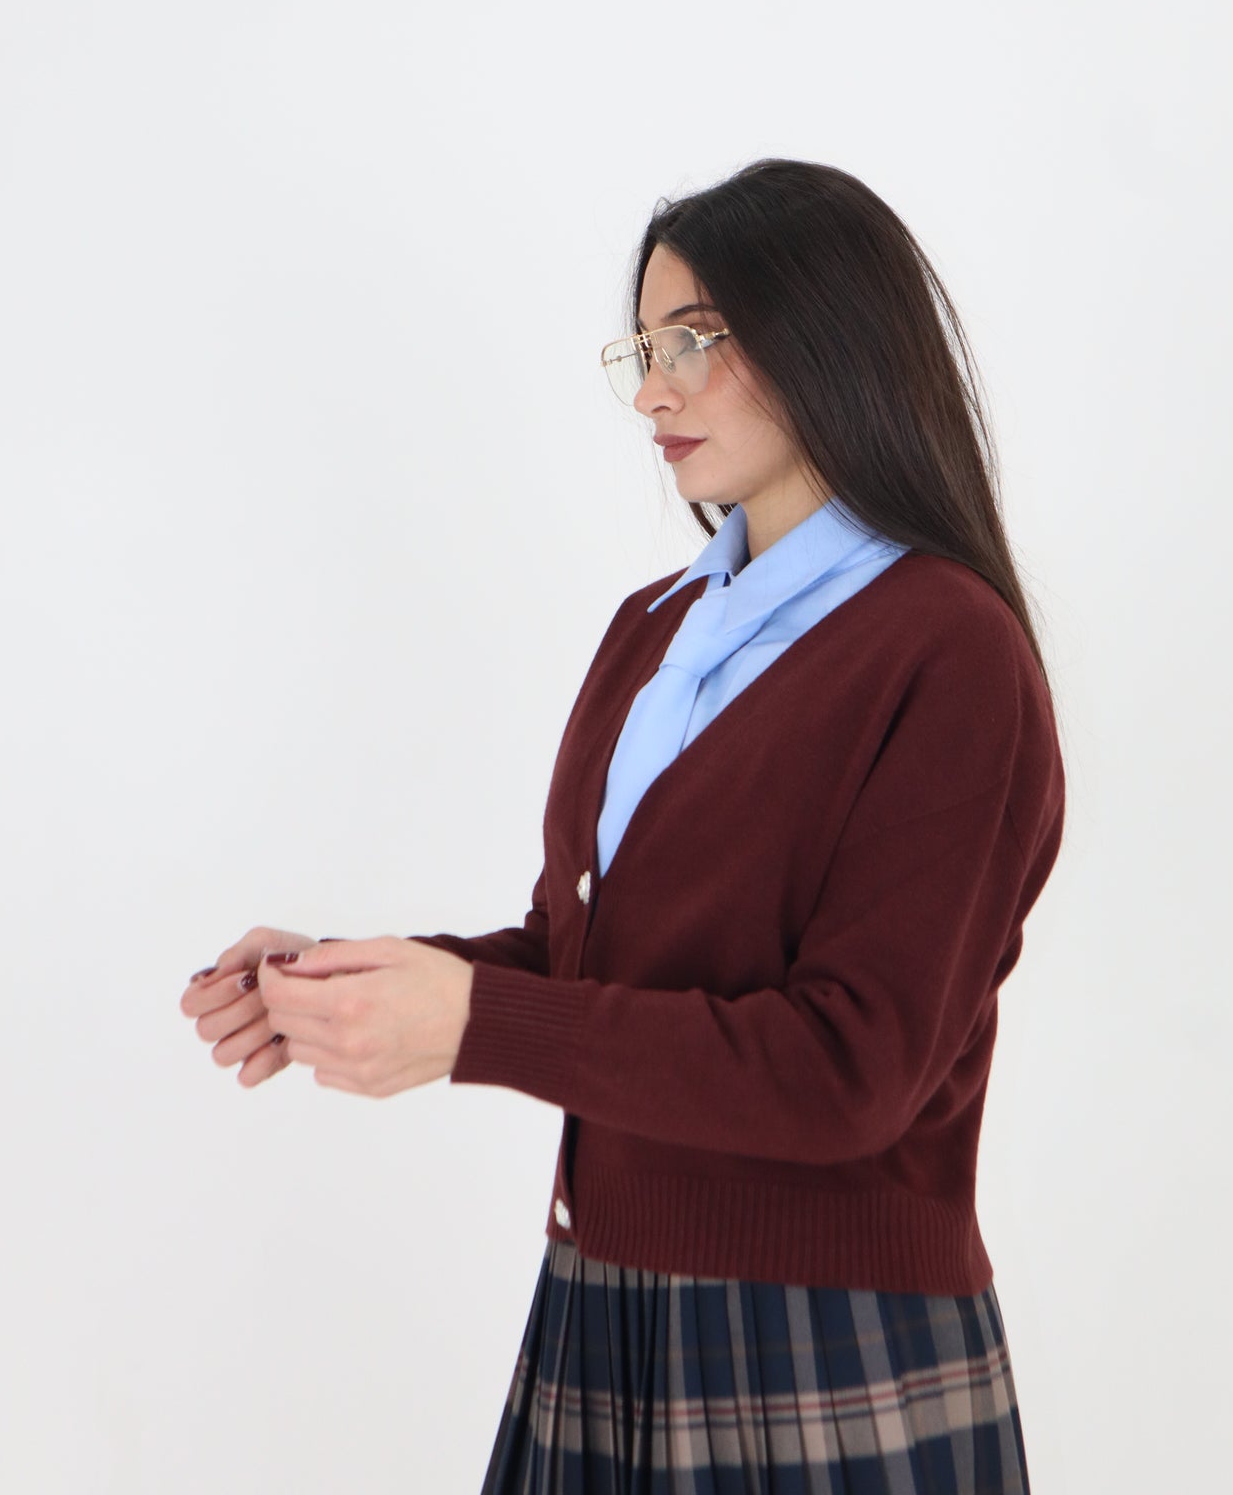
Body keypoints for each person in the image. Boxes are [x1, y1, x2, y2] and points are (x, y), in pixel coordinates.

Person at [180, 156, 1066, 1493]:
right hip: (602, 1305)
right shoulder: (656, 627)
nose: (654, 393)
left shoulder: (949, 650)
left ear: (829, 333)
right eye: (644, 351)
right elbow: (587, 957)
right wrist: (354, 983)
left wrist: (473, 1025)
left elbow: (851, 1069)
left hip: (821, 1342)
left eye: (696, 341)